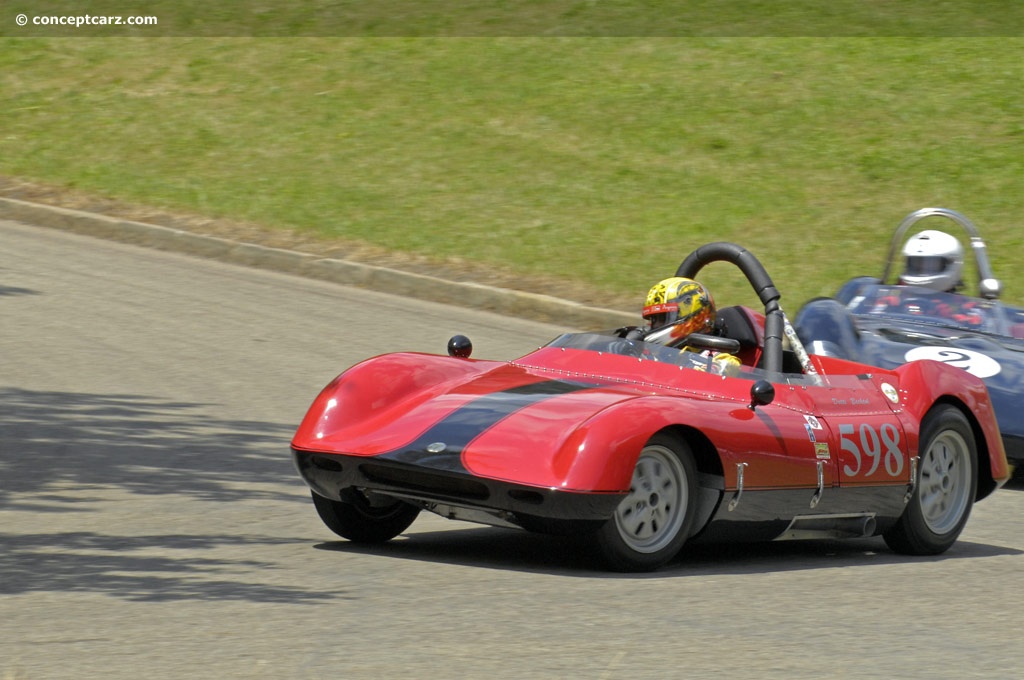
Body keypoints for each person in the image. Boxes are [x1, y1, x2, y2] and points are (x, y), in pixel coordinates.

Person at [640, 276, 740, 374]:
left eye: (662, 318)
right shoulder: (657, 355)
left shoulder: (719, 359)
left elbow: (726, 367)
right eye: (654, 320)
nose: (656, 325)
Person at [899, 229, 964, 293]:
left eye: (930, 265)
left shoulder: (960, 303)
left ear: (951, 264)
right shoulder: (896, 297)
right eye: (916, 263)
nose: (921, 269)